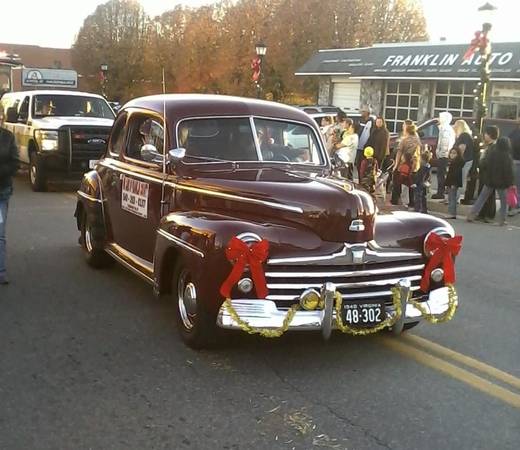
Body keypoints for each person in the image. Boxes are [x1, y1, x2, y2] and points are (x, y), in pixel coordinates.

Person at [467, 135, 515, 226]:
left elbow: (484, 164)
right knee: (504, 201)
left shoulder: (492, 153)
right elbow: (508, 172)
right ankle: (502, 220)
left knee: (482, 198)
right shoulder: (507, 157)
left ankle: (472, 214)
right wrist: (511, 183)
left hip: (490, 180)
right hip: (502, 183)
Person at [0, 105, 20, 284]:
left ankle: (1, 272)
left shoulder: (7, 137)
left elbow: (15, 163)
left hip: (2, 191)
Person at [392, 123, 421, 207]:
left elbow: (399, 153)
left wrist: (396, 166)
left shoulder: (404, 140)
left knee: (399, 182)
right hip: (414, 165)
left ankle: (395, 200)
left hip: (404, 165)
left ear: (406, 131)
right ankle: (412, 202)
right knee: (411, 183)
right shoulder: (417, 140)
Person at [432, 111, 455, 199]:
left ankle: (440, 192)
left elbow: (445, 143)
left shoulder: (446, 129)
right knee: (441, 174)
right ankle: (441, 191)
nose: (439, 119)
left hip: (444, 156)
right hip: (443, 155)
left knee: (441, 174)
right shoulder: (444, 129)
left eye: (440, 117)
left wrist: (441, 154)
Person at [453, 119, 475, 201]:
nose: (454, 128)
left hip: (464, 161)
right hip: (467, 160)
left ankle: (455, 198)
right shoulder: (467, 135)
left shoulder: (463, 135)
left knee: (460, 179)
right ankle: (454, 197)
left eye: (456, 126)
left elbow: (462, 148)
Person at [445, 146, 465, 219]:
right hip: (451, 182)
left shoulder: (457, 163)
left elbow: (456, 174)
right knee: (451, 198)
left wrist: (454, 183)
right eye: (451, 153)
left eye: (454, 153)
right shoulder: (453, 162)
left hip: (453, 183)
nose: (452, 155)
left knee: (452, 198)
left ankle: (452, 213)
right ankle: (451, 213)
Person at [411, 150, 432, 214]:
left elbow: (420, 176)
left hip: (420, 184)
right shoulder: (428, 166)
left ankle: (417, 208)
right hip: (424, 184)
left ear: (423, 160)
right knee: (423, 197)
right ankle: (424, 209)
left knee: (418, 196)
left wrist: (415, 183)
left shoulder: (423, 167)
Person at [355, 105, 374, 174]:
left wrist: (367, 145)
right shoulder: (360, 121)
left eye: (363, 111)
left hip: (366, 148)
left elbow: (371, 136)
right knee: (358, 165)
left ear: (367, 113)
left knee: (364, 166)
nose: (361, 113)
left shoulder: (371, 122)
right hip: (358, 147)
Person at [508, 123, 520, 214]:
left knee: (513, 185)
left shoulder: (513, 133)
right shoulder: (515, 133)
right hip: (516, 161)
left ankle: (512, 205)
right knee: (516, 186)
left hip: (512, 161)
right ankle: (515, 205)